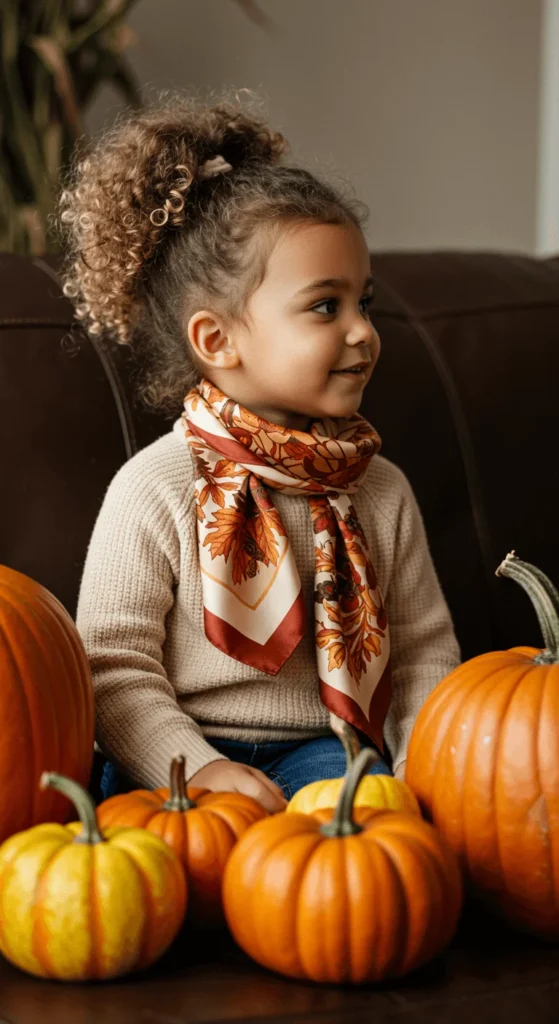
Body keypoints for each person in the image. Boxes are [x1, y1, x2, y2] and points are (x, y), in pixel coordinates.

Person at [61, 94, 461, 813]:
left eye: (363, 304)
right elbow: (111, 668)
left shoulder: (379, 489)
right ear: (217, 341)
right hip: (177, 754)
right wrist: (197, 768)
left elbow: (425, 655)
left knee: (368, 823)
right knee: (172, 841)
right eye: (323, 307)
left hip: (329, 753)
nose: (362, 332)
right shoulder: (154, 487)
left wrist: (419, 778)